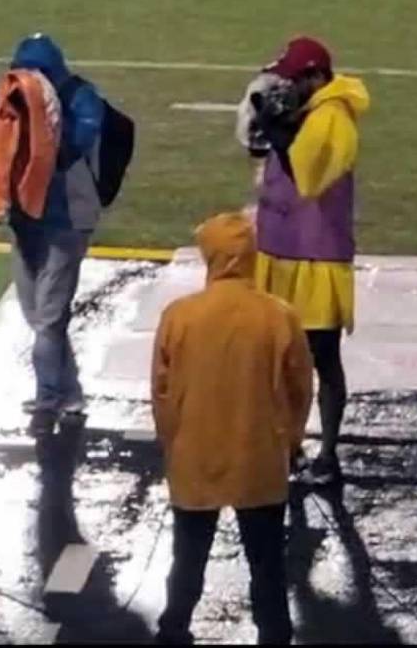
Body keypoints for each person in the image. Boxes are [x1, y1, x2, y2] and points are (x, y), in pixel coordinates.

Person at [151, 212, 314, 645]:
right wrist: (290, 442)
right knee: (267, 562)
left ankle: (174, 629)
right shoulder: (278, 316)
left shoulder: (179, 316)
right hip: (258, 457)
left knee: (188, 557)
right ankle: (273, 634)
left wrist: (172, 444)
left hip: (195, 454)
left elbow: (162, 392)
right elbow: (300, 389)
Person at [252, 36, 370, 485]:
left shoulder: (335, 116)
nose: (286, 85)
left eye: (293, 78)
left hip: (316, 256)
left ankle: (328, 454)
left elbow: (311, 175)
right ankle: (290, 447)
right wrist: (264, 126)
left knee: (321, 357)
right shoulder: (307, 110)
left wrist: (281, 136)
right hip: (280, 248)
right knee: (279, 359)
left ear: (317, 77)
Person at [4, 34, 105, 436]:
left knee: (47, 319)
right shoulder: (13, 95)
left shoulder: (81, 98)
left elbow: (71, 147)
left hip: (66, 220)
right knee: (39, 316)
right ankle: (70, 394)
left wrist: (38, 119)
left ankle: (47, 400)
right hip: (26, 218)